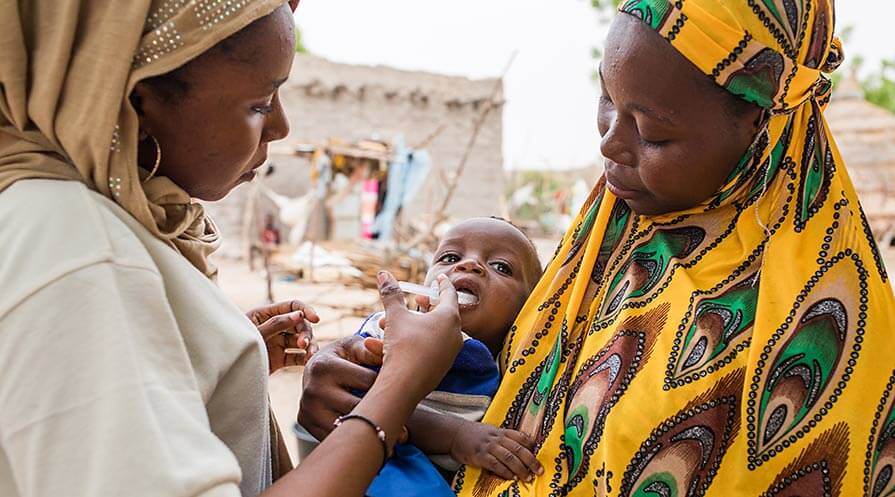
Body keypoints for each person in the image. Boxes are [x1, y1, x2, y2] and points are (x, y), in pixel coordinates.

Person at [298, 1, 895, 495]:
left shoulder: (827, 330)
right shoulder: (595, 257)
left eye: (653, 132)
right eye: (608, 100)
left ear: (762, 131)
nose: (610, 144)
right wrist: (352, 378)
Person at [0, 1, 463, 497]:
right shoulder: (75, 244)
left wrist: (220, 368)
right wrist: (398, 388)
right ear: (136, 102)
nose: (281, 126)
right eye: (260, 103)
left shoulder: (83, 219)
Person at [293, 217, 545, 495]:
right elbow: (358, 399)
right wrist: (455, 435)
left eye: (501, 267)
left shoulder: (519, 371)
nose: (469, 265)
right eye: (450, 257)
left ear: (530, 308)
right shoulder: (393, 328)